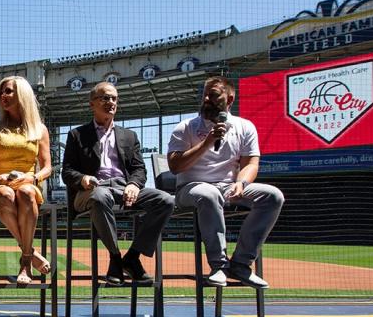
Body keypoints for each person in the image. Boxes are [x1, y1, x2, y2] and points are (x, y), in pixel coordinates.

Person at [167, 76, 284, 288]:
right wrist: (207, 142)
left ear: (229, 99)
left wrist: (242, 183)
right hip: (190, 188)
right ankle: (219, 265)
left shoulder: (245, 126)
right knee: (208, 194)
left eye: (213, 95)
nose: (206, 99)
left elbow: (251, 164)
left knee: (273, 196)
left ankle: (241, 264)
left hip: (229, 186)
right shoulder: (186, 127)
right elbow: (175, 166)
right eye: (204, 94)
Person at [61, 81, 174, 285]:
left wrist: (133, 185)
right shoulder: (77, 135)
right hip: (91, 191)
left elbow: (139, 169)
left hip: (123, 188)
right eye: (105, 97)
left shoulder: (129, 136)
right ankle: (115, 258)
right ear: (91, 104)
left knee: (165, 200)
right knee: (100, 195)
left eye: (114, 98)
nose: (110, 102)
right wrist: (83, 179)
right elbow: (67, 172)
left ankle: (131, 258)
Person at [0, 76, 53, 285]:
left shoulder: (40, 130)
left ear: (23, 95)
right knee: (6, 194)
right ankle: (30, 254)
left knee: (26, 193)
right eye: (1, 92)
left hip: (28, 182)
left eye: (9, 91)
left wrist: (33, 177)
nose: (3, 96)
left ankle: (25, 263)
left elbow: (47, 167)